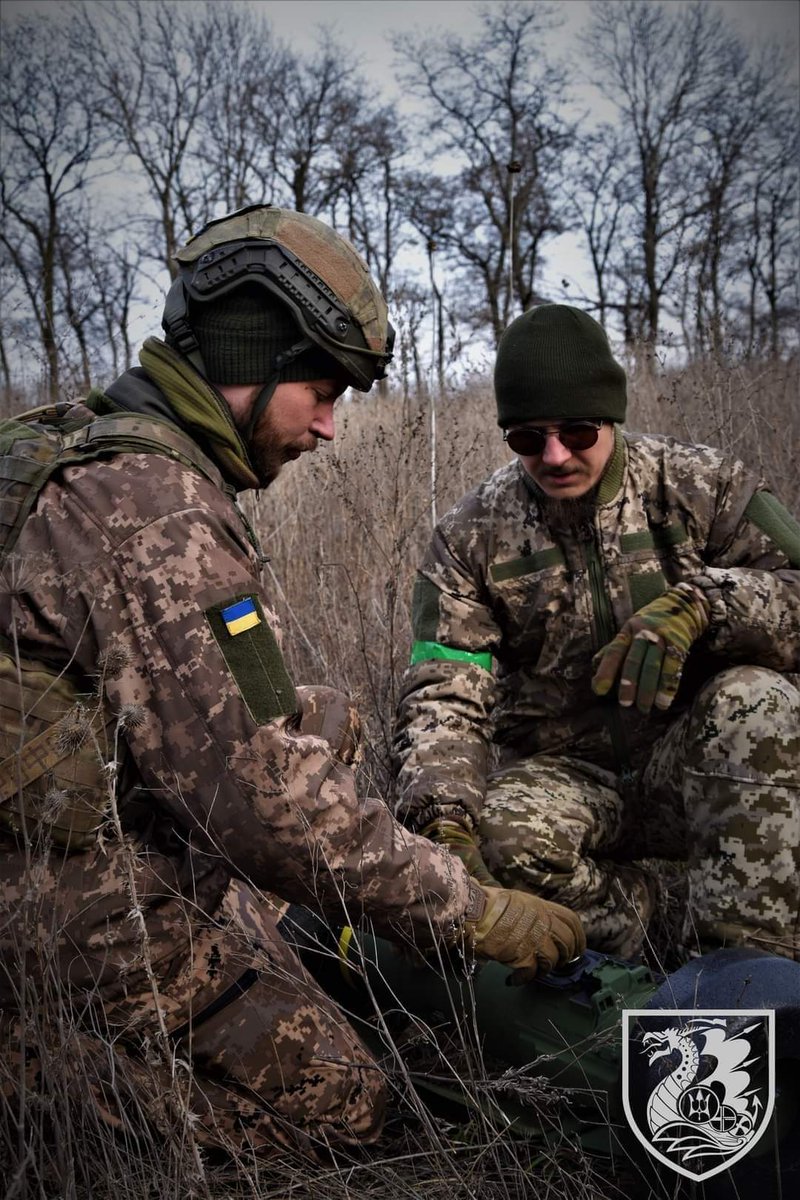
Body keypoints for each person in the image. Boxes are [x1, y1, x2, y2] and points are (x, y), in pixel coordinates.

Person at [0, 209, 584, 1159]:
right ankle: (39, 1069)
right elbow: (274, 811)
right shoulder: (159, 514)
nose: (328, 425)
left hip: (75, 854)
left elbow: (201, 720)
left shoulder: (72, 445)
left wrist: (324, 733)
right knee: (350, 1110)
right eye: (319, 389)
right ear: (249, 361)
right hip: (65, 924)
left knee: (324, 743)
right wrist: (475, 910)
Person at [393, 304, 800, 964]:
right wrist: (445, 820)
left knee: (756, 702)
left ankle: (746, 974)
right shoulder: (471, 536)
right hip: (570, 776)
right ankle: (633, 941)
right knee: (500, 837)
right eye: (528, 439)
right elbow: (444, 692)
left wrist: (707, 606)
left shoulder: (703, 485)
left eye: (578, 431)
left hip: (693, 764)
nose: (555, 456)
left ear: (611, 416)